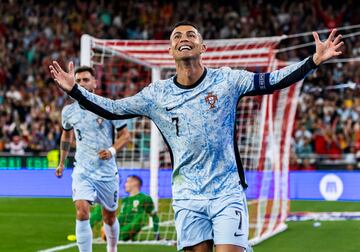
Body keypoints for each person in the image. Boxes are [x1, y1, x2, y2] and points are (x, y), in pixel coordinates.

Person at [50, 21, 343, 252]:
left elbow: (272, 81)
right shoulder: (157, 94)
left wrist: (312, 61)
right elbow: (113, 109)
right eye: (176, 36)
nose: (183, 38)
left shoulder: (227, 80)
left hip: (226, 190)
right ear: (170, 51)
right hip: (187, 195)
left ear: (202, 46)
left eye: (190, 34)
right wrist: (75, 91)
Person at [55, 66, 131, 252]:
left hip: (106, 172)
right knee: (81, 211)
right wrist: (61, 162)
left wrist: (112, 150)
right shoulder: (68, 112)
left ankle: (112, 249)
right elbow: (66, 136)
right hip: (82, 170)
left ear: (95, 83)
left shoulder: (109, 106)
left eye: (86, 80)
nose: (81, 83)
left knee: (109, 217)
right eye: (78, 80)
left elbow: (126, 136)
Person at [90, 175, 160, 241]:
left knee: (138, 219)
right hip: (122, 226)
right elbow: (122, 217)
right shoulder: (125, 200)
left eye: (127, 182)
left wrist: (156, 233)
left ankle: (114, 237)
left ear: (135, 183)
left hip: (134, 225)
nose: (125, 185)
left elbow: (154, 216)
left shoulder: (144, 198)